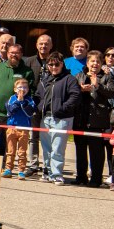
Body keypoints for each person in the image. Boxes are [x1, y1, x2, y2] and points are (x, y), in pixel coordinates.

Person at [0, 43, 33, 167]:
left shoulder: (27, 71)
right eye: (11, 53)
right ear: (7, 54)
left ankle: (5, 166)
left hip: (16, 115)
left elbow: (32, 91)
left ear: (21, 54)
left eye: (17, 53)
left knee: (10, 142)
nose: (14, 55)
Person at [73, 49, 114, 186]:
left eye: (98, 61)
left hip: (97, 120)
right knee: (80, 150)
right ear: (87, 62)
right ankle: (81, 177)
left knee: (96, 152)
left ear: (101, 63)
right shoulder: (79, 75)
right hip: (81, 118)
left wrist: (97, 85)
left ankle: (96, 179)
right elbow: (72, 92)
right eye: (92, 61)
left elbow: (111, 93)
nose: (95, 64)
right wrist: (80, 89)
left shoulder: (106, 77)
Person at [36, 51, 81, 184]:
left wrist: (62, 109)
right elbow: (38, 96)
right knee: (46, 148)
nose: (54, 67)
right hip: (46, 118)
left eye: (57, 64)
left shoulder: (69, 79)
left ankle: (56, 174)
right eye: (51, 64)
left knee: (57, 148)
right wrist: (39, 107)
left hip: (62, 119)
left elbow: (75, 97)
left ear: (62, 64)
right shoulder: (45, 80)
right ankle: (47, 171)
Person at [23, 32, 54, 176]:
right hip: (34, 103)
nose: (43, 46)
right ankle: (33, 164)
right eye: (41, 43)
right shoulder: (29, 61)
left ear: (51, 46)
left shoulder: (55, 62)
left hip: (50, 105)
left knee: (48, 137)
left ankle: (48, 165)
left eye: (46, 44)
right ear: (37, 45)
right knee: (33, 136)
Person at [3, 78, 36, 178]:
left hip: (24, 129)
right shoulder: (11, 99)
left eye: (25, 87)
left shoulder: (30, 100)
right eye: (20, 87)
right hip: (12, 128)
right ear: (15, 89)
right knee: (10, 150)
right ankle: (8, 169)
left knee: (22, 151)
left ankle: (21, 170)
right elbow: (11, 111)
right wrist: (18, 101)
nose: (22, 89)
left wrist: (23, 102)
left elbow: (30, 113)